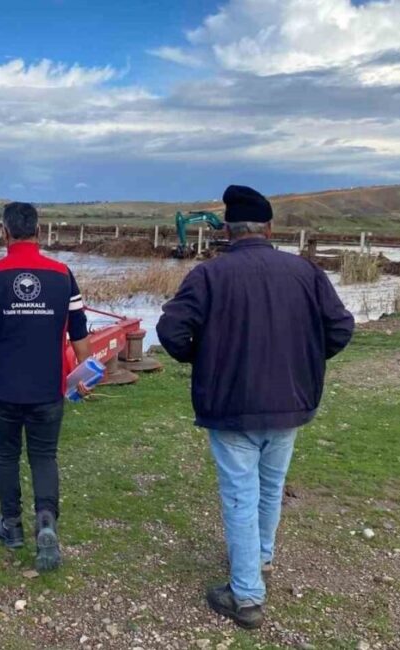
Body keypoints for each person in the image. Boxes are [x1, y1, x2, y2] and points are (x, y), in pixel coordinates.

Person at [157, 185, 354, 629]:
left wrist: (202, 358)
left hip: (231, 406)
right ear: (268, 229)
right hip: (289, 403)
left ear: (227, 229)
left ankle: (246, 596)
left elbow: (171, 331)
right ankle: (260, 558)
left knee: (241, 495)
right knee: (269, 487)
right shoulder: (306, 273)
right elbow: (340, 328)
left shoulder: (209, 276)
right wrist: (305, 361)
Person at [0, 202, 91, 573]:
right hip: (48, 387)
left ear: (4, 232)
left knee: (6, 454)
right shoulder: (62, 274)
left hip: (3, 386)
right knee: (44, 456)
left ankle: (12, 526)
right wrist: (86, 376)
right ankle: (46, 522)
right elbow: (79, 333)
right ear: (40, 230)